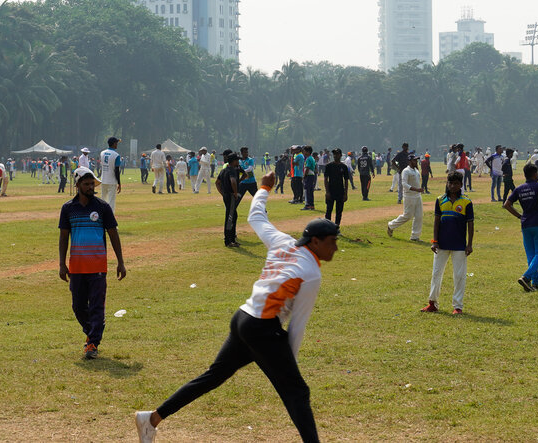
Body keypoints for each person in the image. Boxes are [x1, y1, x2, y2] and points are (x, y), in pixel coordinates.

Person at [134, 171, 337, 443]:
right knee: (297, 393)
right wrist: (289, 366)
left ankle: (151, 419)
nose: (335, 247)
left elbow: (256, 216)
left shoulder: (282, 241)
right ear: (315, 241)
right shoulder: (311, 273)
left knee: (214, 376)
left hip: (242, 319)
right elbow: (297, 325)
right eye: (331, 241)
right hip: (262, 328)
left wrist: (264, 187)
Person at [58, 166, 126, 360]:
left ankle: (92, 343)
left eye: (92, 184)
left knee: (96, 305)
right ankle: (93, 330)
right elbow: (63, 237)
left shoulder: (103, 207)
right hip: (77, 267)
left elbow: (113, 234)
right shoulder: (68, 209)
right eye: (86, 184)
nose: (90, 187)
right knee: (78, 306)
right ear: (77, 184)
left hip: (98, 266)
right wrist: (62, 264)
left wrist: (120, 262)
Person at [421, 172, 474, 315]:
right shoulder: (440, 200)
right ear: (447, 183)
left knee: (459, 275)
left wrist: (469, 244)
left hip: (459, 245)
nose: (452, 186)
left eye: (456, 183)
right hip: (441, 244)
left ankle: (458, 306)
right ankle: (432, 303)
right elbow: (436, 222)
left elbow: (470, 224)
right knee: (436, 273)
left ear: (461, 185)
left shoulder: (466, 202)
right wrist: (434, 241)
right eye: (450, 183)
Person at [504, 164, 538, 292]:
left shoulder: (519, 188)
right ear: (535, 174)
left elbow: (507, 204)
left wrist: (519, 216)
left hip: (525, 224)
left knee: (531, 254)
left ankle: (535, 282)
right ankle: (526, 277)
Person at [388, 152, 424, 240]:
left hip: (417, 196)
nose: (416, 162)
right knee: (407, 215)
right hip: (409, 197)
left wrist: (419, 190)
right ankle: (391, 225)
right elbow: (404, 184)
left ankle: (415, 236)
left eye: (416, 160)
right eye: (414, 160)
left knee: (419, 216)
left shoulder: (416, 170)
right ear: (410, 161)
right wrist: (416, 189)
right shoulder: (406, 171)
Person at [216, 152, 243, 248]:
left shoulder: (224, 170)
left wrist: (222, 193)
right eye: (237, 160)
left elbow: (217, 182)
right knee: (230, 217)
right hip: (231, 196)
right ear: (233, 161)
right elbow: (233, 181)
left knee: (233, 215)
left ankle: (232, 239)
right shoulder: (231, 170)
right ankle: (228, 241)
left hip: (226, 195)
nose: (238, 161)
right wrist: (235, 193)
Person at [323, 148, 350, 226]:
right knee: (329, 210)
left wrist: (345, 193)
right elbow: (325, 179)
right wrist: (327, 192)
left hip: (340, 191)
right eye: (334, 154)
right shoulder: (329, 166)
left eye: (337, 154)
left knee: (339, 211)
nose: (335, 155)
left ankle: (336, 227)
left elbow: (346, 181)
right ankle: (327, 227)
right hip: (331, 191)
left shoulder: (343, 167)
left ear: (340, 155)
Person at [99, 137, 122, 209]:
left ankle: (102, 216)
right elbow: (116, 170)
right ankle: (110, 217)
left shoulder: (102, 153)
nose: (117, 144)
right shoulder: (116, 155)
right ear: (114, 144)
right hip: (112, 180)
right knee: (111, 201)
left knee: (103, 200)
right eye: (117, 143)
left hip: (103, 179)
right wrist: (119, 183)